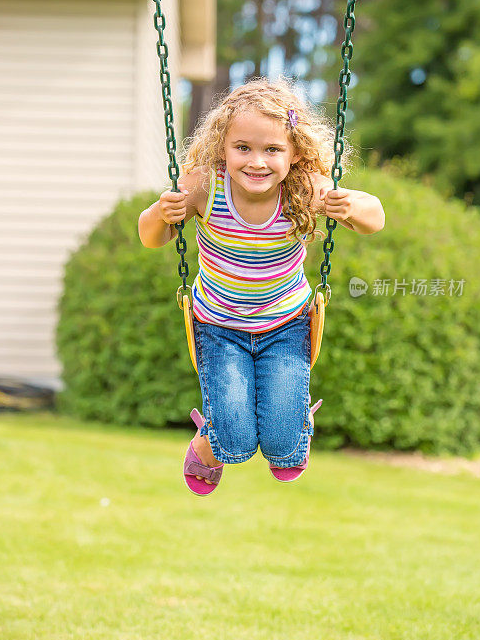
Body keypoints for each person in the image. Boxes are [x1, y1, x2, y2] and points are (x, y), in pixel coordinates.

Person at [138, 77, 385, 495]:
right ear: (223, 147)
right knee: (231, 443)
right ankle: (208, 441)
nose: (257, 162)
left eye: (272, 149)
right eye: (243, 148)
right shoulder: (204, 186)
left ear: (294, 153)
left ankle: (292, 424)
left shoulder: (304, 189)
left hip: (285, 325)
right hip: (219, 328)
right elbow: (151, 236)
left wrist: (351, 205)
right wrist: (161, 212)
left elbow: (374, 218)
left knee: (283, 448)